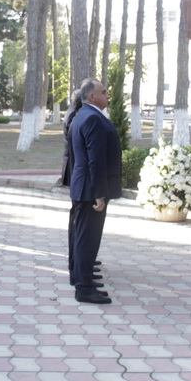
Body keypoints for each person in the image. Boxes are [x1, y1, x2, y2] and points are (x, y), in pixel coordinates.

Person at [68, 78, 122, 305]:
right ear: (92, 97)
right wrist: (100, 194)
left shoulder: (83, 115)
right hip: (91, 190)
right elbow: (95, 161)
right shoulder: (92, 118)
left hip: (84, 186)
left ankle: (82, 276)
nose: (108, 95)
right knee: (87, 239)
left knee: (83, 238)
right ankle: (84, 288)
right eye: (103, 92)